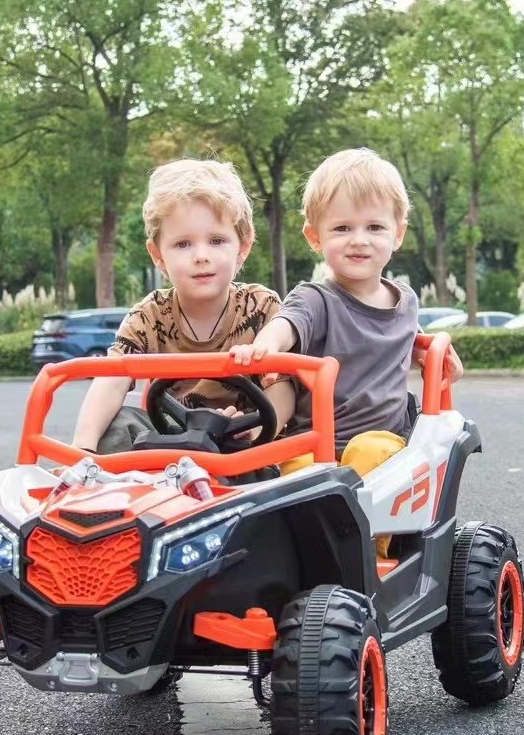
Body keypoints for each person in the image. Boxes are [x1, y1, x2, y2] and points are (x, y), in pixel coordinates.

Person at [230, 147, 461, 555]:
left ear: (398, 233)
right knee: (298, 474)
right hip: (315, 442)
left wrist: (433, 353)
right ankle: (308, 563)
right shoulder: (316, 298)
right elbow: (289, 322)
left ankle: (368, 555)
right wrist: (266, 344)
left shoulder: (406, 301)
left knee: (368, 455)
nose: (359, 241)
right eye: (341, 229)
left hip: (386, 442)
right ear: (315, 237)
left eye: (374, 227)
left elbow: (408, 336)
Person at [71, 158, 295, 454]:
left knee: (293, 452)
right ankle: (91, 485)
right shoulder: (149, 316)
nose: (201, 256)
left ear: (243, 245)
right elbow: (111, 380)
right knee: (119, 425)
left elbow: (282, 386)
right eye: (183, 244)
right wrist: (82, 448)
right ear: (157, 254)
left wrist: (254, 433)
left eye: (216, 240)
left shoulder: (261, 306)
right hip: (171, 442)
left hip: (244, 440)